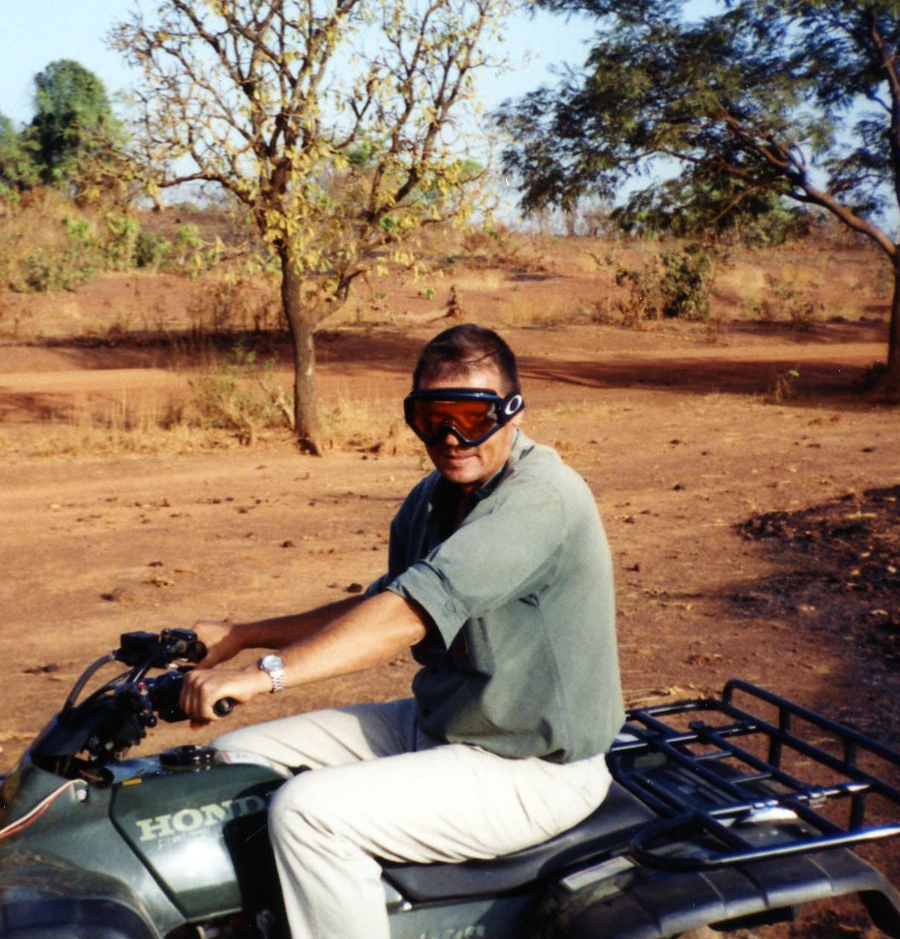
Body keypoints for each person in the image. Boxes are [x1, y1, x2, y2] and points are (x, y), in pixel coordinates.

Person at [180, 323, 622, 939]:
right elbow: (381, 602)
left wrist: (264, 676)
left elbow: (401, 618)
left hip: (532, 766)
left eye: (472, 417)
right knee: (232, 758)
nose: (449, 437)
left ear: (513, 413)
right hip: (440, 725)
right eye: (432, 417)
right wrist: (243, 634)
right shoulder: (431, 498)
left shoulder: (541, 498)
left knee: (308, 815)